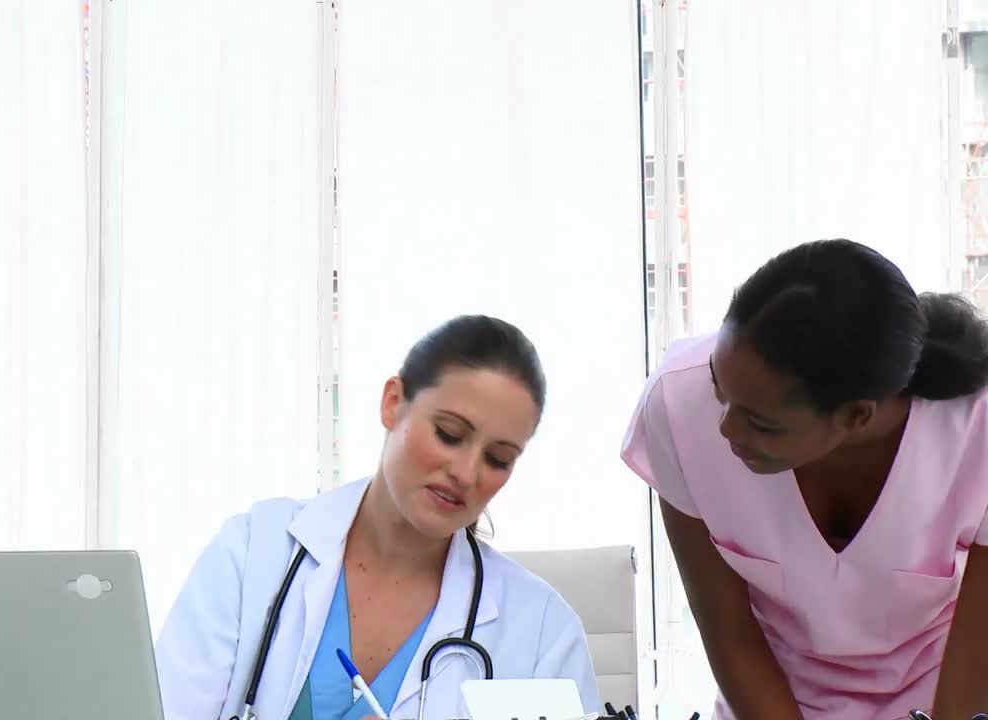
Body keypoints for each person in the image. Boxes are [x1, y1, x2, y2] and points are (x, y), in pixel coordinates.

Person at [156, 315, 600, 720]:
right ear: (393, 403)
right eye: (449, 434)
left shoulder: (543, 633)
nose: (466, 473)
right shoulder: (253, 554)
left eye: (498, 459)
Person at [621, 239, 988, 719]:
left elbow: (978, 645)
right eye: (719, 387)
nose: (726, 429)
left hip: (942, 698)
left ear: (856, 416)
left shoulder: (976, 430)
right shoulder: (678, 407)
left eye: (762, 422)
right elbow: (729, 632)